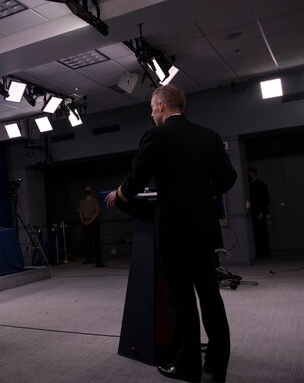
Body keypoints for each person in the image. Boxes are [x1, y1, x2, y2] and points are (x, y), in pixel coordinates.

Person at [106, 84, 236, 383]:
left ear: (162, 106)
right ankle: (217, 365)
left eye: (152, 108)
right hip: (204, 230)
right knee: (211, 298)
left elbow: (136, 180)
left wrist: (120, 195)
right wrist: (200, 192)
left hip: (173, 233)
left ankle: (188, 366)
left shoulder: (156, 136)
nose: (152, 114)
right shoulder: (210, 136)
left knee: (181, 302)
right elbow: (227, 178)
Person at [247, 168, 271, 258]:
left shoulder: (261, 185)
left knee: (262, 232)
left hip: (260, 211)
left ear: (254, 174)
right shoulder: (250, 186)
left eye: (250, 173)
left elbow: (265, 199)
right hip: (254, 211)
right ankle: (260, 252)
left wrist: (261, 211)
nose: (249, 175)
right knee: (257, 233)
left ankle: (265, 252)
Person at [78, 186, 103, 267]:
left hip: (93, 222)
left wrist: (90, 221)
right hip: (84, 222)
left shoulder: (95, 200)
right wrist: (82, 221)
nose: (86, 191)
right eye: (85, 189)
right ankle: (89, 259)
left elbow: (97, 212)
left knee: (95, 241)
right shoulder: (82, 201)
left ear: (92, 191)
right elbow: (80, 212)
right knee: (86, 241)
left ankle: (97, 260)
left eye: (88, 189)